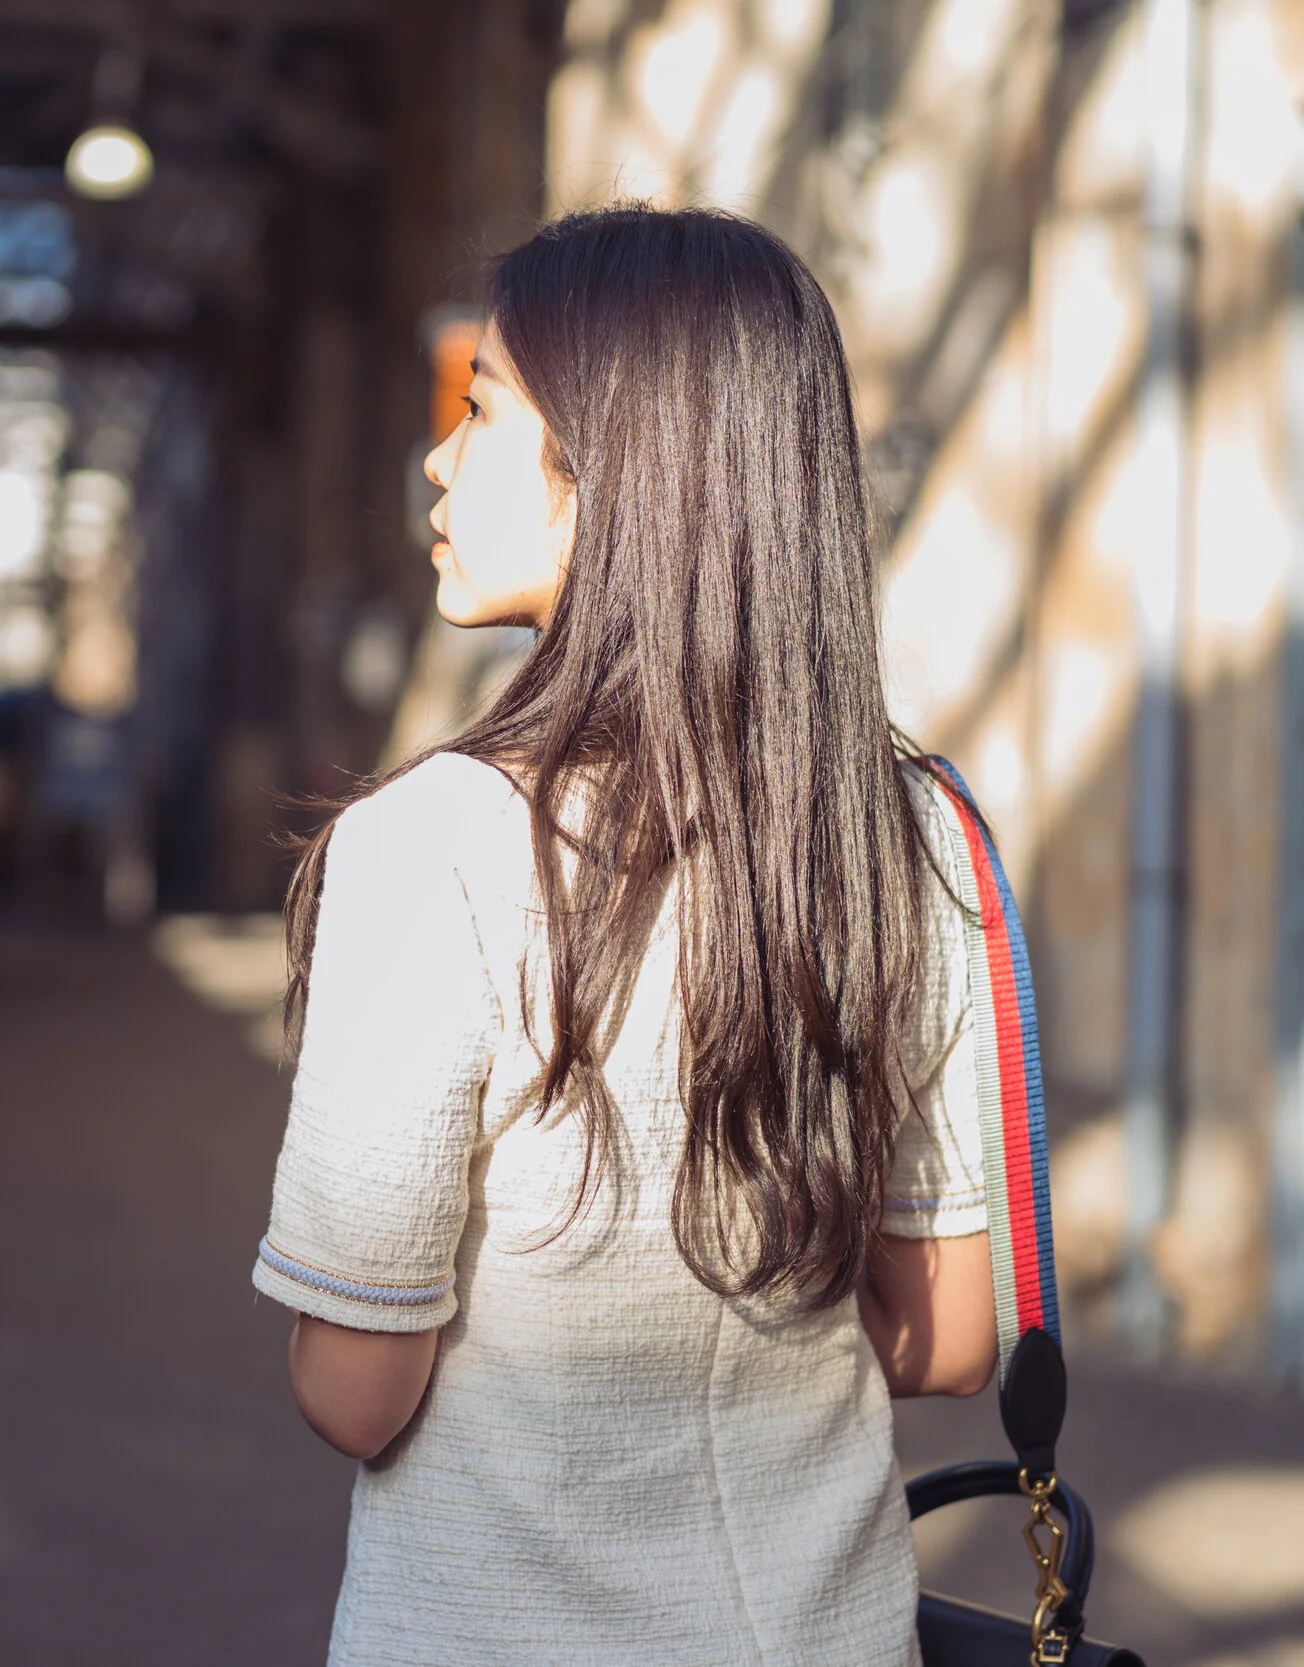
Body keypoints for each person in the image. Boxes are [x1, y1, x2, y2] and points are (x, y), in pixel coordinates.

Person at [251, 206, 999, 1665]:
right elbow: (951, 1336)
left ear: (611, 473)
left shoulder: (433, 847)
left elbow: (357, 1383)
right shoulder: (909, 833)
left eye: (480, 407)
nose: (437, 456)